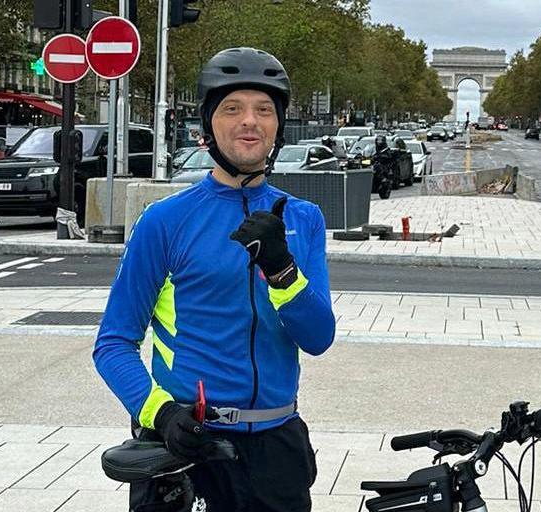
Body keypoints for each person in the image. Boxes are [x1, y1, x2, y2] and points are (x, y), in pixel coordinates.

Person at [94, 47, 336, 512]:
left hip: (277, 448)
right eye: (233, 109)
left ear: (278, 126)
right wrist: (161, 415)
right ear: (209, 125)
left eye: (264, 110)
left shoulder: (303, 219)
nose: (250, 121)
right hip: (188, 446)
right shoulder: (165, 221)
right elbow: (113, 344)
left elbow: (318, 338)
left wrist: (282, 271)